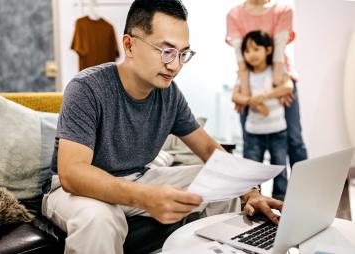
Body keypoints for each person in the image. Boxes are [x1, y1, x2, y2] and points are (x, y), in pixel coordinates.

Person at [41, 1, 283, 253]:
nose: (175, 65)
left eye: (182, 54)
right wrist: (144, 196)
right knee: (99, 219)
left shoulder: (169, 95)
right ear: (129, 45)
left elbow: (210, 149)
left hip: (138, 177)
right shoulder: (87, 88)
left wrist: (250, 191)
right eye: (166, 51)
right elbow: (72, 173)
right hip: (74, 192)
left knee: (221, 185)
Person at [226, 0, 307, 168]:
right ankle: (253, 193)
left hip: (280, 78)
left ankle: (304, 190)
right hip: (248, 82)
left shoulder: (283, 10)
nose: (252, 54)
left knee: (294, 139)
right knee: (250, 142)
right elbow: (240, 57)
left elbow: (278, 52)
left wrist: (276, 86)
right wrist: (247, 95)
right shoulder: (234, 14)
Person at [233, 30, 294, 200]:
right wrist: (250, 100)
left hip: (278, 131)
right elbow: (235, 95)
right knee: (252, 171)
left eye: (255, 49)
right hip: (254, 133)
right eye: (246, 51)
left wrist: (265, 96)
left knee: (280, 168)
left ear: (268, 50)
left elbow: (288, 87)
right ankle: (254, 201)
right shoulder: (245, 76)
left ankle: (281, 200)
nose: (250, 55)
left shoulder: (275, 72)